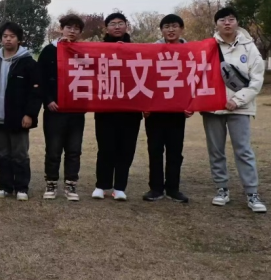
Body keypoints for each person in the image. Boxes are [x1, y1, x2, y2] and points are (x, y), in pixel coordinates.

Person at [203, 8, 266, 213]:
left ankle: (252, 192)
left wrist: (238, 100)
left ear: (237, 22)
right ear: (216, 24)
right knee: (216, 150)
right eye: (223, 20)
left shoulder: (249, 47)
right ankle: (221, 189)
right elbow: (198, 75)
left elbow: (256, 79)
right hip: (213, 109)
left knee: (244, 150)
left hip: (241, 108)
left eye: (231, 19)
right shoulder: (208, 47)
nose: (227, 23)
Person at [0, 22, 40, 201]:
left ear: (19, 39)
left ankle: (22, 187)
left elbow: (36, 92)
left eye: (12, 36)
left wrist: (30, 114)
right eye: (5, 36)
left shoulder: (28, 62)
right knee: (2, 154)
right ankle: (5, 186)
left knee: (20, 154)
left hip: (18, 117)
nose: (8, 39)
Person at [92, 12, 143, 202]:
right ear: (106, 28)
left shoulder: (138, 49)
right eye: (112, 24)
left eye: (120, 23)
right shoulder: (97, 50)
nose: (117, 27)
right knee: (105, 148)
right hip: (105, 108)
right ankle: (102, 185)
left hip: (131, 109)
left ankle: (120, 187)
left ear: (126, 26)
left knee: (126, 149)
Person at [142, 14, 191, 204]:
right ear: (161, 30)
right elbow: (143, 77)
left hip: (177, 110)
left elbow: (193, 81)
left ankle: (173, 188)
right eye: (167, 27)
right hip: (154, 110)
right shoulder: (152, 51)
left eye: (175, 26)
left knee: (175, 151)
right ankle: (155, 188)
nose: (171, 30)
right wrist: (144, 105)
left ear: (181, 29)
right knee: (154, 150)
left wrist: (191, 105)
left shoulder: (190, 52)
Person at [37, 14, 86, 202]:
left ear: (80, 32)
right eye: (68, 27)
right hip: (54, 109)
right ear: (61, 29)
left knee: (74, 149)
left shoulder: (83, 51)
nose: (72, 31)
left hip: (76, 110)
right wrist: (48, 100)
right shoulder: (49, 50)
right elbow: (39, 80)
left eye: (76, 28)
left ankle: (71, 185)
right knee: (54, 149)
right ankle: (51, 183)